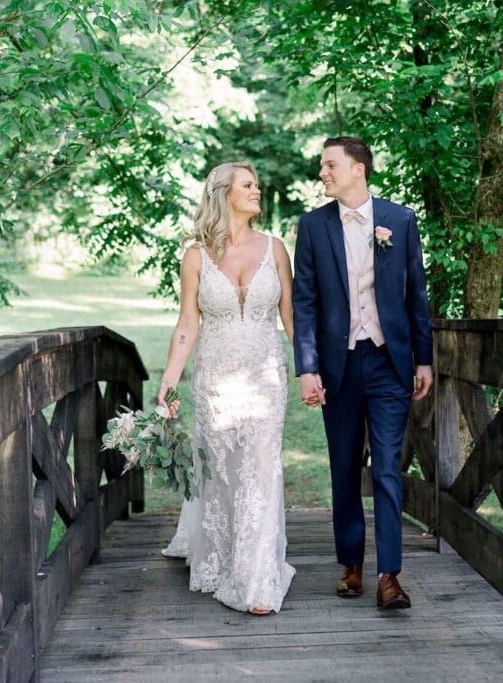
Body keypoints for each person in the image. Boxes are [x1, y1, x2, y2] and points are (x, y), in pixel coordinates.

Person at [292, 136, 433, 610]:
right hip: (339, 364)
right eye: (322, 166)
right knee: (345, 466)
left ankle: (389, 575)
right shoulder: (313, 227)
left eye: (330, 165)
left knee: (389, 468)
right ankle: (351, 562)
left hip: (389, 361)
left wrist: (424, 358)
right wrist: (308, 368)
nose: (323, 174)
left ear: (358, 169)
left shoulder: (400, 220)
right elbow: (305, 302)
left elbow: (417, 296)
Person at [157, 162, 296, 616]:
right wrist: (169, 382)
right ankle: (218, 556)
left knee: (260, 466)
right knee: (221, 470)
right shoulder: (195, 256)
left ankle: (256, 579)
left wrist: (313, 370)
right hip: (216, 380)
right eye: (248, 185)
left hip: (265, 377)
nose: (258, 190)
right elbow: (187, 324)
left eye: (258, 183)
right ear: (223, 193)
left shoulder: (276, 249)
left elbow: (291, 319)